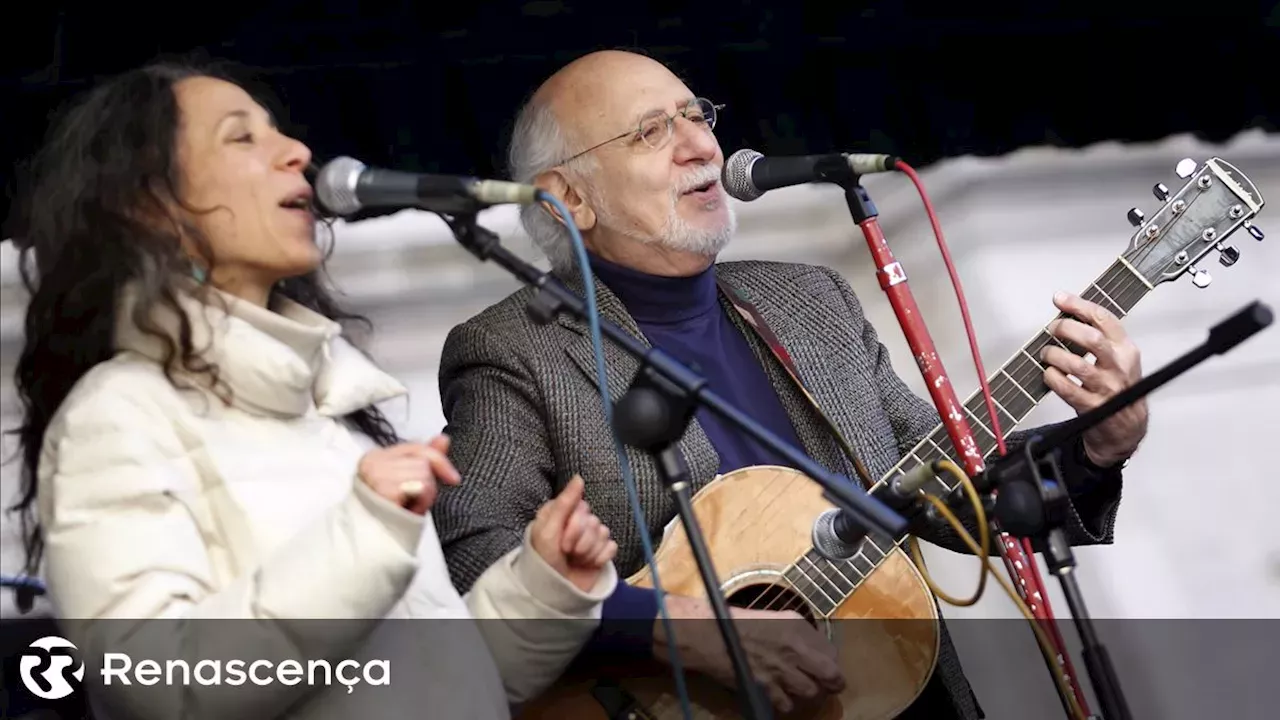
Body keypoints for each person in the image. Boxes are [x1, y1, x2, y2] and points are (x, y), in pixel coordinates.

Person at [431, 50, 1149, 719]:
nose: (701, 146)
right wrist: (681, 630)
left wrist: (1094, 447)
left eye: (696, 115)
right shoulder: (511, 350)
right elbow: (475, 558)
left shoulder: (810, 300)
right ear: (568, 199)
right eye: (652, 131)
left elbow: (943, 492)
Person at [5, 61, 621, 720]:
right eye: (242, 138)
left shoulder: (327, 412)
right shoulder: (118, 415)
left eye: (279, 135)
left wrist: (544, 587)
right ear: (152, 208)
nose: (297, 152)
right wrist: (364, 532)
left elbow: (428, 684)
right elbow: (158, 686)